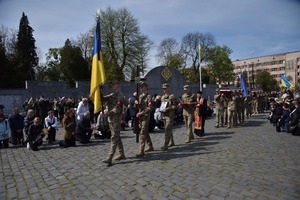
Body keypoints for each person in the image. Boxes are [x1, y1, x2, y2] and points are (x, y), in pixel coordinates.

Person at [101, 81, 126, 165]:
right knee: (117, 137)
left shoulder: (120, 96)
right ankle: (121, 154)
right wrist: (98, 92)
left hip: (116, 119)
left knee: (114, 137)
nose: (112, 86)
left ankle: (110, 157)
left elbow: (118, 108)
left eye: (113, 84)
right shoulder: (111, 95)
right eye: (111, 85)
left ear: (118, 85)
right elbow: (103, 99)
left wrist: (108, 113)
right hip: (110, 119)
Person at [135, 81, 154, 157]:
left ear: (146, 87)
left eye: (142, 86)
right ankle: (150, 146)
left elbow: (150, 107)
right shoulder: (139, 96)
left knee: (142, 133)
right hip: (140, 117)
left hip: (145, 116)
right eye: (140, 87)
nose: (141, 88)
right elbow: (138, 106)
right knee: (145, 132)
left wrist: (142, 113)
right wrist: (136, 103)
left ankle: (141, 151)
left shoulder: (149, 97)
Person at [160, 83, 176, 150]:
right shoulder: (162, 97)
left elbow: (174, 106)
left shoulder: (172, 96)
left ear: (168, 88)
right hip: (164, 115)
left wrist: (168, 108)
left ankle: (165, 145)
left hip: (170, 115)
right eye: (163, 89)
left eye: (165, 88)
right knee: (168, 129)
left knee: (167, 129)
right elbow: (162, 105)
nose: (164, 90)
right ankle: (171, 142)